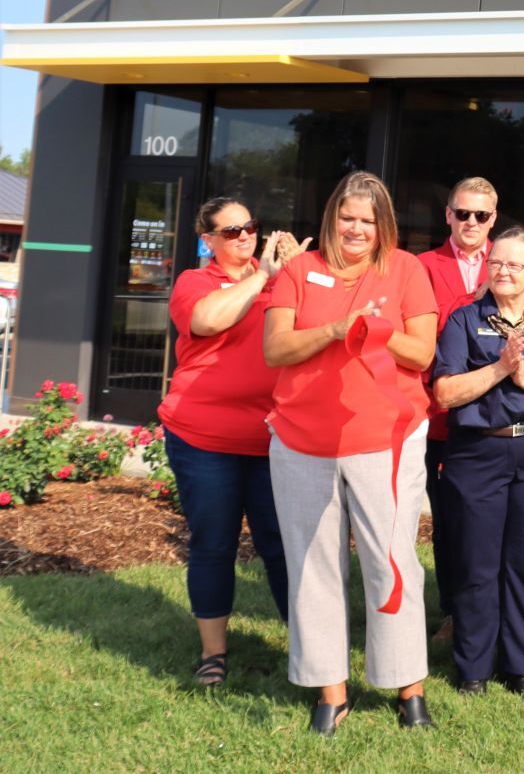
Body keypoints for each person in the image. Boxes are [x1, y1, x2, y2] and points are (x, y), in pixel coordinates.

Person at [262, 171, 440, 735]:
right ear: (331, 218)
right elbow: (274, 347)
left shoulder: (406, 270)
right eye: (347, 217)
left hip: (384, 442)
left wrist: (376, 333)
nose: (357, 228)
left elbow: (423, 352)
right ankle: (330, 692)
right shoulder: (297, 270)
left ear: (383, 224)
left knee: (391, 563)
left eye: (368, 220)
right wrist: (337, 329)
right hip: (300, 441)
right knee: (313, 567)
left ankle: (408, 687)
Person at [431, 227, 524, 696]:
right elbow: (445, 391)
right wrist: (499, 369)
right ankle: (473, 669)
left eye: (516, 264)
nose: (504, 271)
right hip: (477, 453)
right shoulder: (462, 320)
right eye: (496, 262)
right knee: (476, 564)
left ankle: (522, 669)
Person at [159, 197, 301, 686]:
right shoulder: (194, 282)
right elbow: (206, 321)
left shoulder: (285, 280)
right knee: (214, 545)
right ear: (210, 239)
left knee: (283, 546)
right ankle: (213, 655)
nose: (244, 236)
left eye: (251, 227)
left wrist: (299, 272)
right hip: (205, 438)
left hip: (272, 437)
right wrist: (261, 276)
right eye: (232, 230)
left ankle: (308, 651)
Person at [416, 175, 502, 643]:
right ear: (448, 215)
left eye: (481, 215)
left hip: (492, 417)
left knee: (485, 525)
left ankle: (493, 611)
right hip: (439, 419)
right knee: (448, 521)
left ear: (494, 218)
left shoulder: (508, 264)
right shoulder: (421, 265)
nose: (471, 222)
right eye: (462, 213)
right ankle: (454, 612)